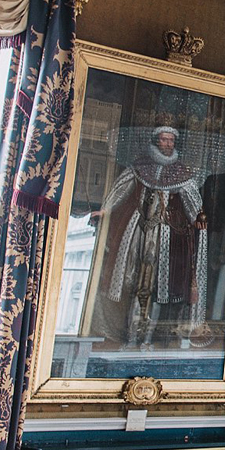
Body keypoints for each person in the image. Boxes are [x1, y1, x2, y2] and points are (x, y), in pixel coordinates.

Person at [88, 125, 209, 350]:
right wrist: (105, 210)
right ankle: (130, 337)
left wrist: (198, 219)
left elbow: (193, 201)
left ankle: (147, 339)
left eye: (171, 141)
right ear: (156, 141)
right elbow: (121, 189)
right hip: (139, 229)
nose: (167, 144)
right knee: (134, 283)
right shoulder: (141, 166)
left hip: (167, 235)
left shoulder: (181, 172)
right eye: (163, 140)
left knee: (155, 289)